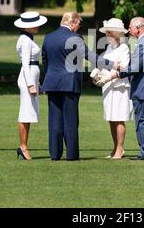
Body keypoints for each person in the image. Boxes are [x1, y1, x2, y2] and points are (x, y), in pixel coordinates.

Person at [41, 12, 117, 161]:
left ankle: (55, 154)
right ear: (73, 22)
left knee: (54, 120)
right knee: (70, 120)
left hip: (52, 82)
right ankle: (72, 155)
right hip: (69, 83)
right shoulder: (75, 38)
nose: (79, 27)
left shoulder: (48, 37)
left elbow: (45, 61)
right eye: (79, 24)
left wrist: (48, 77)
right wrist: (112, 64)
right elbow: (90, 56)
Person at [110, 17, 144, 160]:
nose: (129, 29)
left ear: (139, 28)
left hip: (143, 89)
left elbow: (135, 68)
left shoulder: (143, 43)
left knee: (143, 120)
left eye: (131, 27)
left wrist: (118, 73)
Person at [91, 18, 133, 160]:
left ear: (116, 33)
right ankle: (115, 147)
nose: (106, 35)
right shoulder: (109, 48)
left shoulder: (124, 48)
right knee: (111, 118)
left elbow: (124, 68)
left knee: (119, 118)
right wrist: (97, 73)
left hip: (120, 87)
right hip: (108, 87)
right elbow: (103, 63)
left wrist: (109, 75)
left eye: (109, 32)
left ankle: (120, 149)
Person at [14, 11, 47, 160]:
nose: (38, 26)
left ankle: (24, 146)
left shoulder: (27, 38)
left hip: (31, 77)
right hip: (28, 78)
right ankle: (23, 146)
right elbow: (26, 64)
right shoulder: (26, 40)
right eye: (35, 24)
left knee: (28, 113)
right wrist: (30, 85)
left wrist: (36, 82)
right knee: (25, 113)